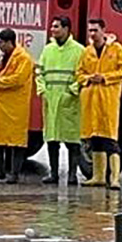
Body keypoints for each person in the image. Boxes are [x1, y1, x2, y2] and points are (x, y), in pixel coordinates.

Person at [74, 17, 122, 190]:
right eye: (90, 31)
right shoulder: (87, 51)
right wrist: (87, 79)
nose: (92, 34)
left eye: (95, 30)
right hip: (91, 101)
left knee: (111, 141)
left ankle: (114, 178)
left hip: (108, 100)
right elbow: (79, 72)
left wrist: (106, 78)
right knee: (95, 140)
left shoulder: (116, 49)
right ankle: (98, 176)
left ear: (103, 30)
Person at [37, 16, 87, 184]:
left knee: (72, 141)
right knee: (52, 139)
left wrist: (72, 91)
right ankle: (54, 174)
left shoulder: (79, 50)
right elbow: (40, 72)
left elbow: (82, 74)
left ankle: (72, 175)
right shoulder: (48, 49)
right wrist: (42, 90)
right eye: (52, 26)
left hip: (69, 101)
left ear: (66, 29)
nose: (53, 29)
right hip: (51, 100)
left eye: (56, 26)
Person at [0, 28, 37, 184]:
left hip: (16, 105)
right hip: (0, 103)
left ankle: (14, 173)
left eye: (1, 43)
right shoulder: (2, 58)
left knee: (16, 141)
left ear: (9, 42)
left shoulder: (24, 59)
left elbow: (18, 79)